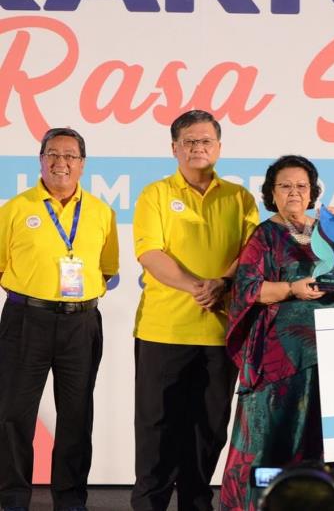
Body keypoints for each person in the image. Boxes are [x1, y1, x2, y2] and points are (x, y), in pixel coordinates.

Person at [131, 110, 259, 511]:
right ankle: (148, 504)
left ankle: (196, 502)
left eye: (205, 141)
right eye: (189, 141)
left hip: (222, 332)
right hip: (163, 330)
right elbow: (151, 253)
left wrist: (222, 282)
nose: (197, 148)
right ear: (174, 148)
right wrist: (197, 287)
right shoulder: (154, 194)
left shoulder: (239, 198)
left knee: (209, 428)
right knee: (156, 427)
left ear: (219, 147)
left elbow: (251, 254)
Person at [219, 155, 334, 511]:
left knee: (319, 441)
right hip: (278, 359)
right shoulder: (264, 235)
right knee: (269, 440)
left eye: (301, 186)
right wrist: (292, 288)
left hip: (327, 354)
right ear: (271, 193)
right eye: (285, 186)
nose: (294, 192)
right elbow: (248, 289)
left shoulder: (328, 231)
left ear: (312, 192)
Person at [0, 128, 119, 511]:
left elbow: (107, 269)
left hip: (80, 324)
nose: (60, 162)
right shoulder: (15, 208)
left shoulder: (101, 212)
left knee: (76, 414)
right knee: (14, 414)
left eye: (70, 155)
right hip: (25, 319)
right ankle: (12, 498)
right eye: (52, 154)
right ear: (40, 160)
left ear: (82, 164)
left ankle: (70, 498)